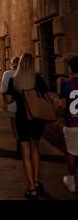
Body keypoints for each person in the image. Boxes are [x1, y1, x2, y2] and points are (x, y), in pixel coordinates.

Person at [6, 53, 49, 199]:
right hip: (36, 119)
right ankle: (37, 181)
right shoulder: (39, 80)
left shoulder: (14, 80)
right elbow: (46, 98)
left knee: (25, 152)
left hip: (22, 118)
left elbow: (10, 99)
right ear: (32, 65)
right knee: (35, 148)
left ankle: (31, 188)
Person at [59, 55, 78, 193]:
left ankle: (71, 180)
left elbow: (63, 105)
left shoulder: (66, 83)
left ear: (71, 69)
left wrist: (57, 115)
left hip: (72, 123)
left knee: (71, 152)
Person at [0, 56, 21, 157]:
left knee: (13, 124)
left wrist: (5, 101)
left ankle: (18, 141)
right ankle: (23, 141)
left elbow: (3, 89)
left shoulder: (7, 74)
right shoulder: (24, 73)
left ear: (12, 64)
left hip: (12, 103)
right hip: (24, 104)